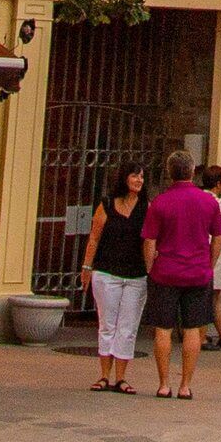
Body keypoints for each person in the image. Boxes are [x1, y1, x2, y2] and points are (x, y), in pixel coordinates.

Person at [144, 155, 221, 399]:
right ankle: (185, 386)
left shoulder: (160, 202)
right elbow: (218, 237)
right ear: (192, 172)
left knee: (163, 328)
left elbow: (149, 240)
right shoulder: (209, 202)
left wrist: (150, 268)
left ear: (170, 172)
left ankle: (164, 384)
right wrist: (209, 265)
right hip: (197, 272)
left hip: (166, 272)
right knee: (193, 329)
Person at [83, 165, 151, 393]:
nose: (139, 180)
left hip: (136, 275)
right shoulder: (107, 204)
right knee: (107, 324)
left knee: (128, 327)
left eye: (142, 176)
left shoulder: (147, 207)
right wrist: (87, 266)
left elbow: (150, 242)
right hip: (106, 272)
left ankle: (121, 377)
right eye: (134, 175)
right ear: (124, 178)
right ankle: (104, 375)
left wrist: (151, 270)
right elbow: (94, 237)